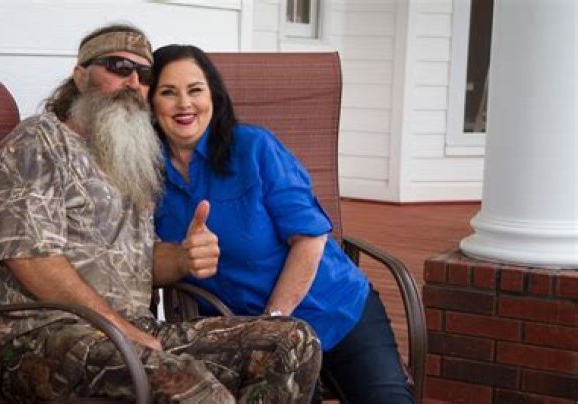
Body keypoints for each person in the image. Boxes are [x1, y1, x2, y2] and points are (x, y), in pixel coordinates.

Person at [0, 24, 322, 403]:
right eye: (118, 67)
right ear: (80, 76)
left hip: (133, 330)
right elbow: (31, 260)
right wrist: (119, 328)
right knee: (190, 385)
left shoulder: (128, 156)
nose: (133, 82)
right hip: (44, 339)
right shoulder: (36, 143)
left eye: (144, 75)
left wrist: (183, 258)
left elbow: (140, 264)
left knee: (290, 341)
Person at [150, 44, 414, 404]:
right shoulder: (144, 174)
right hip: (240, 334)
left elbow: (309, 239)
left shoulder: (255, 148)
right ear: (151, 103)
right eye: (168, 92)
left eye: (195, 90)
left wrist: (274, 325)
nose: (184, 104)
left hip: (332, 307)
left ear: (213, 96)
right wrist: (180, 258)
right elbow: (141, 258)